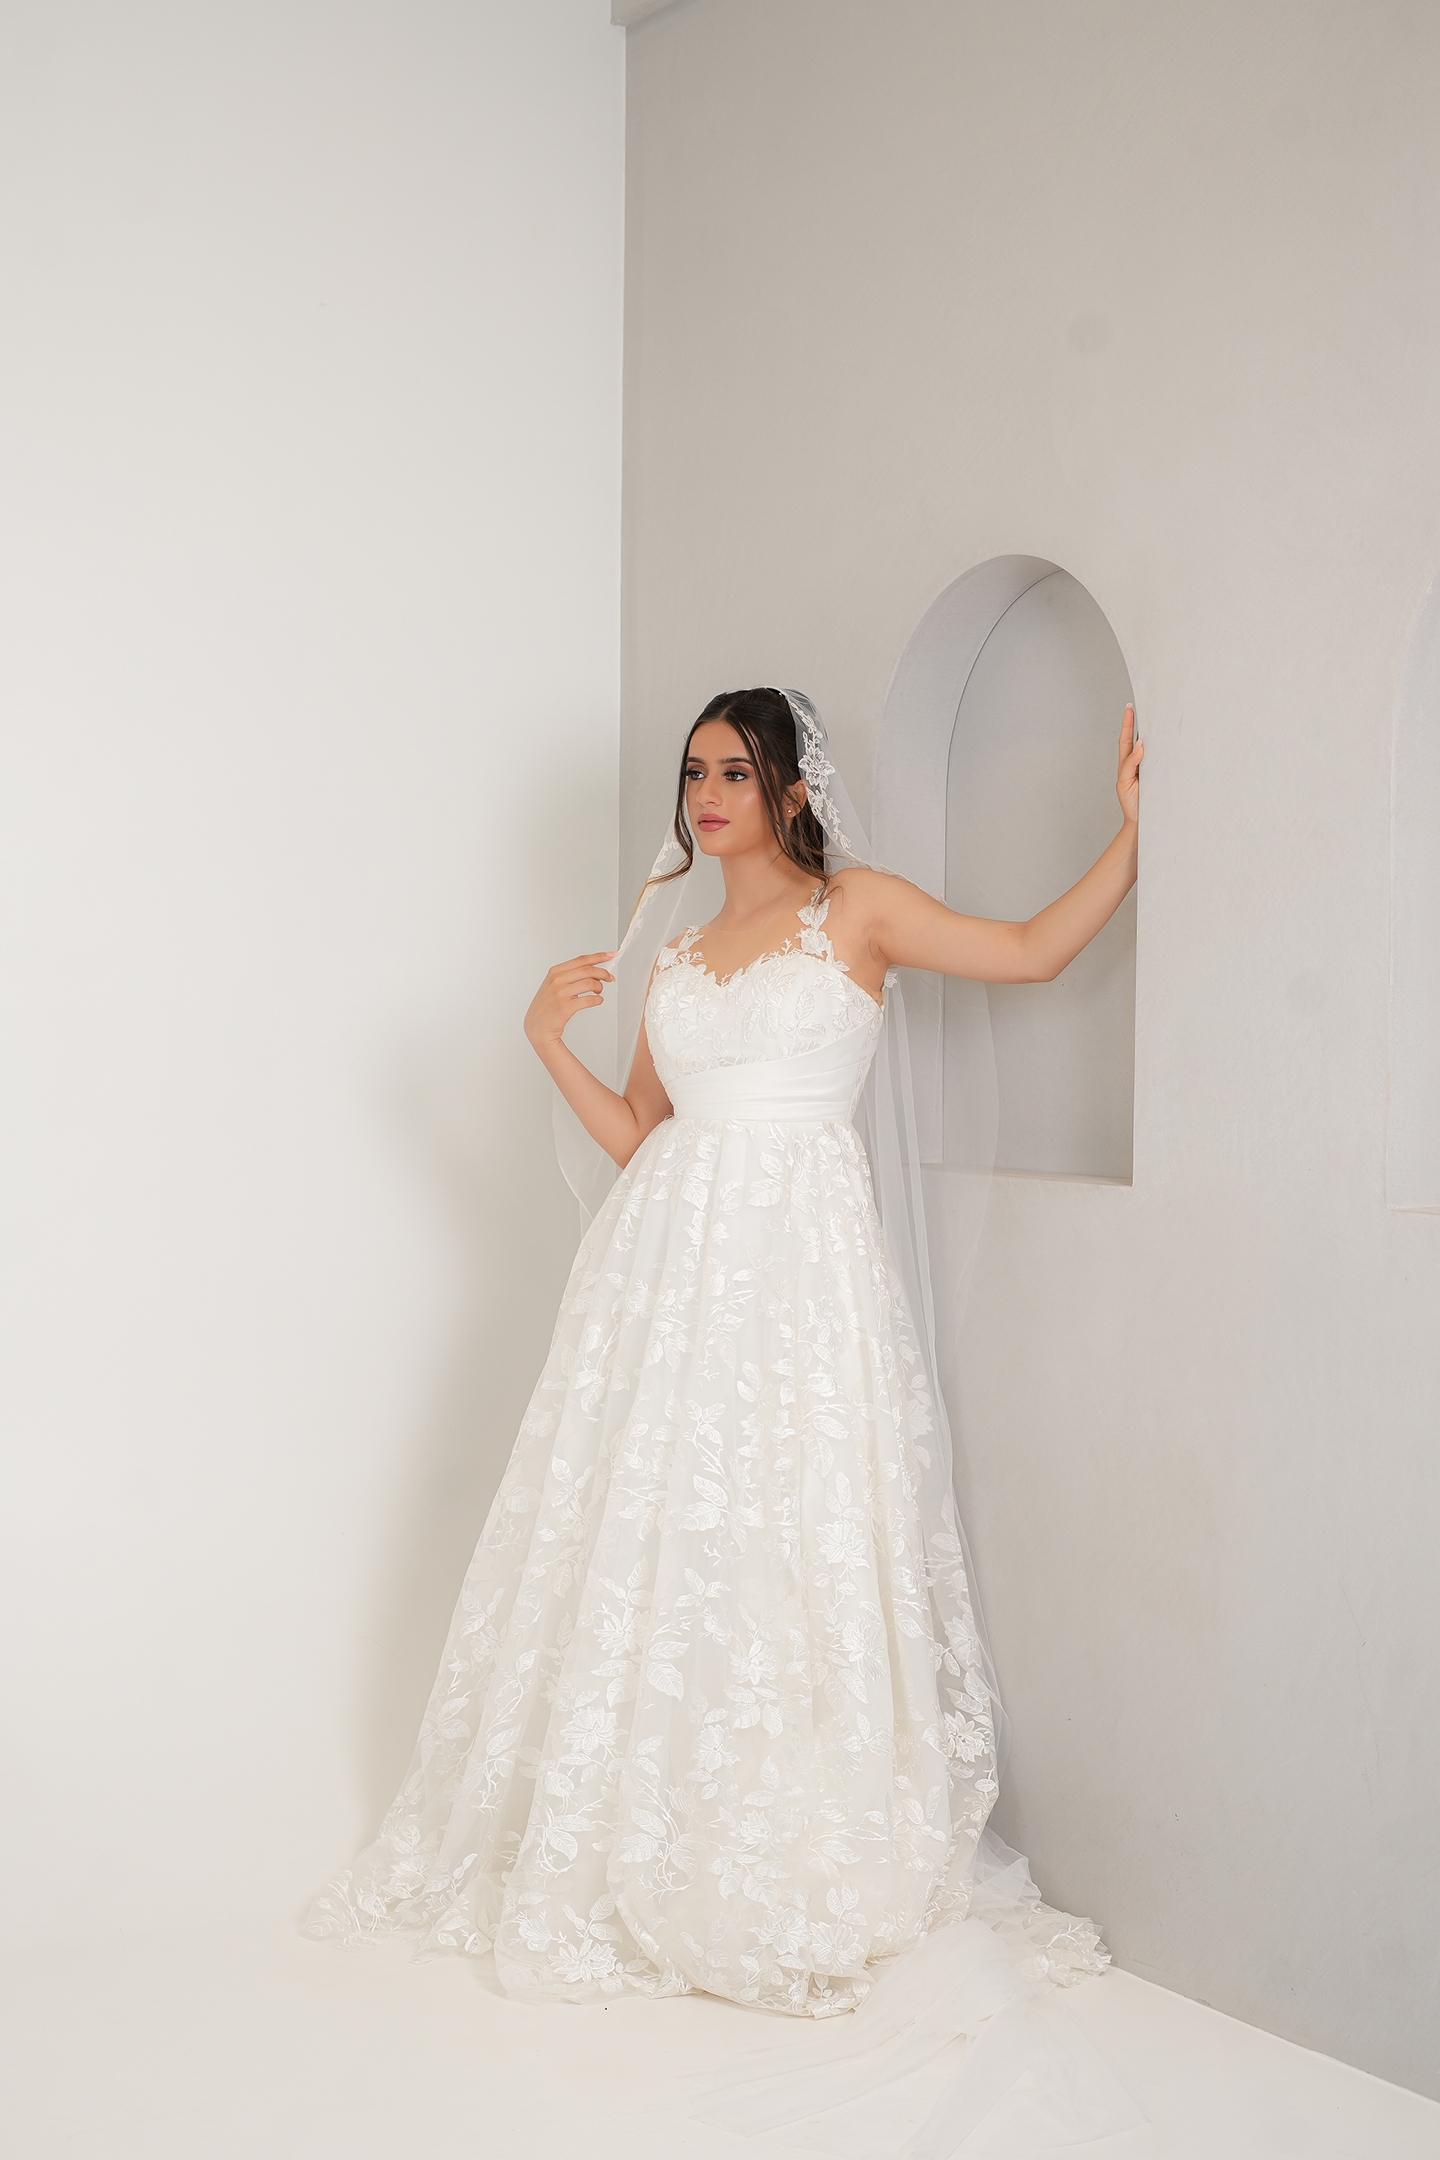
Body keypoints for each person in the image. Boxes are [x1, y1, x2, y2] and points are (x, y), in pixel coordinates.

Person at [303, 686, 1142, 2043]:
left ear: (794, 789)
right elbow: (644, 1134)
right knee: (662, 1534)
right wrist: (543, 1040)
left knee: (786, 1527)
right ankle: (653, 1814)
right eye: (695, 772)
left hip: (800, 1275)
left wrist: (1132, 834)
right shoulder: (680, 953)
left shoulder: (856, 911)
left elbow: (1032, 951)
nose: (706, 796)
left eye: (737, 773)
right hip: (664, 1275)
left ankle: (788, 1824)